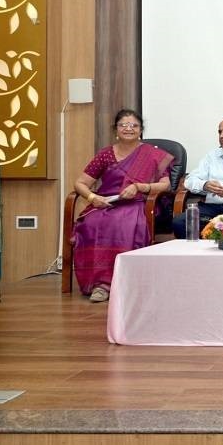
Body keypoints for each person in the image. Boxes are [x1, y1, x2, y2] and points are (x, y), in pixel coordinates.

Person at [72, 109, 173, 302]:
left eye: (134, 125)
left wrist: (139, 187)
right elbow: (80, 183)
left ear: (141, 130)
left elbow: (165, 184)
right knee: (91, 223)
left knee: (124, 224)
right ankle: (99, 284)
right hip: (105, 203)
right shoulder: (106, 154)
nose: (129, 129)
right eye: (123, 125)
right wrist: (92, 197)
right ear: (116, 130)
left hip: (138, 203)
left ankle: (125, 284)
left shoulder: (152, 154)